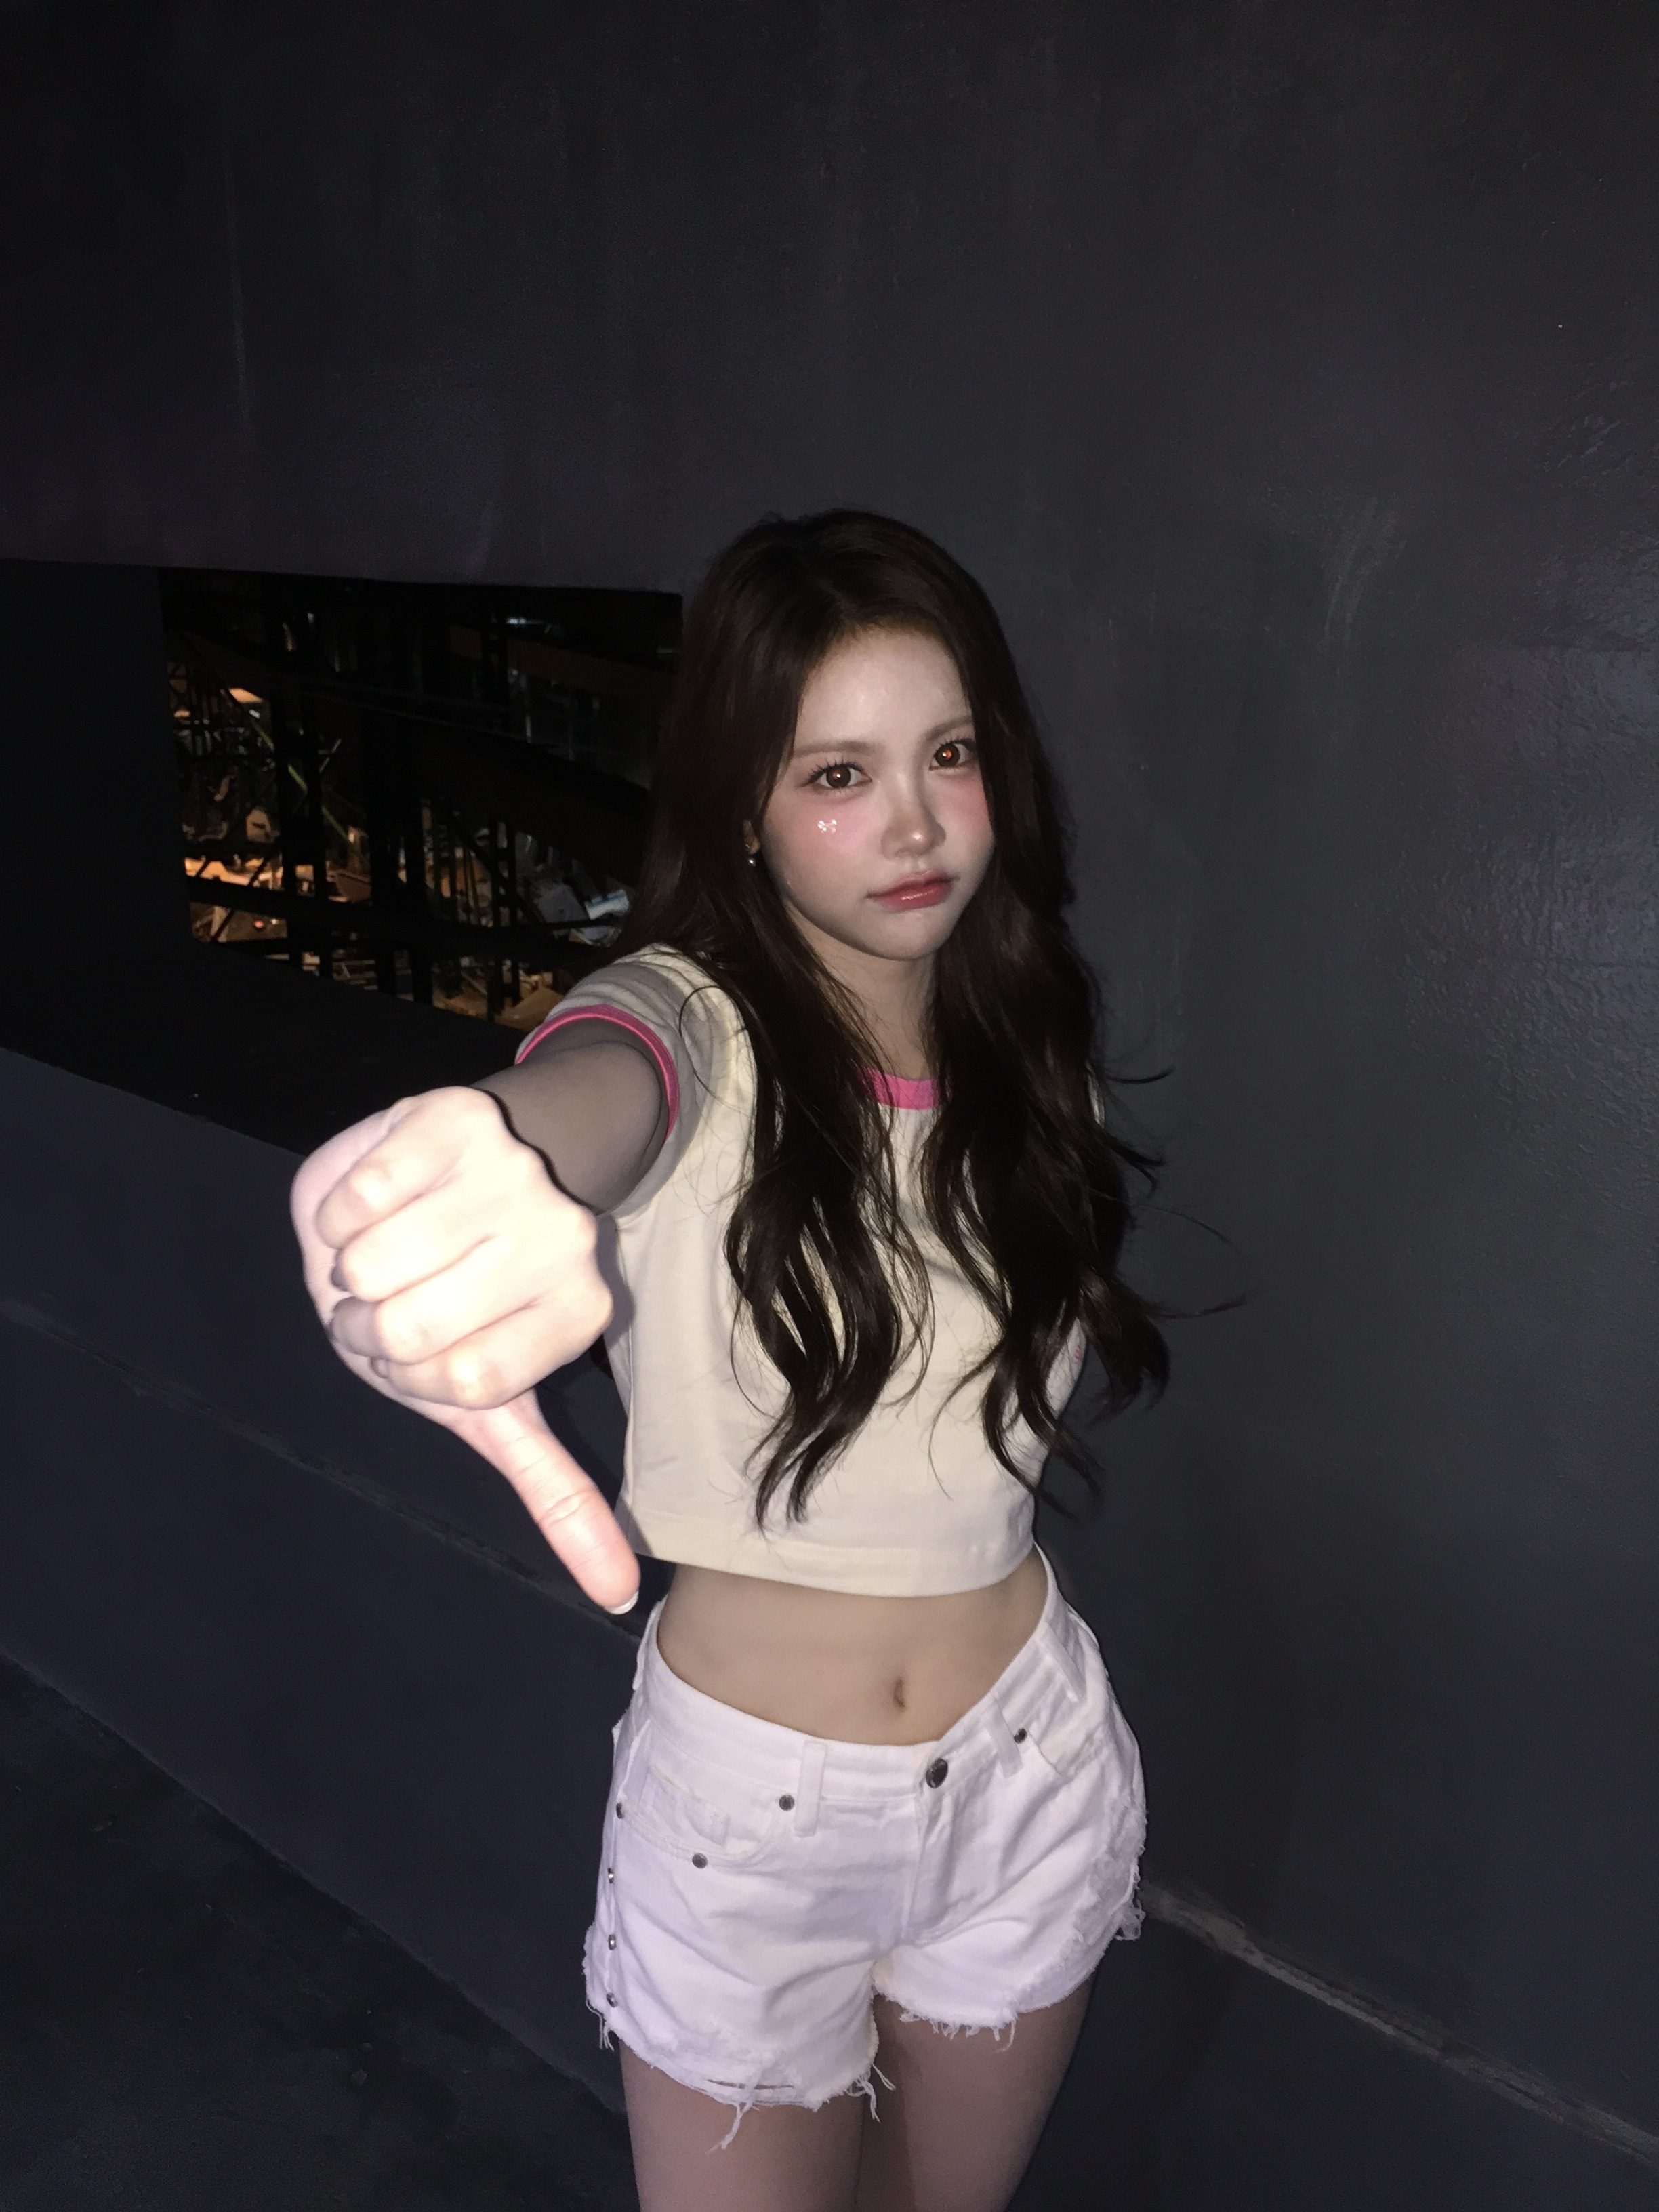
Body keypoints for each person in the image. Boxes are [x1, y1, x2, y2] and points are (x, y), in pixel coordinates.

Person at [290, 511, 1166, 2212]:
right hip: (756, 1825)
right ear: (742, 809)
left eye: (950, 755)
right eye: (837, 775)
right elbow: (598, 1083)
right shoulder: (690, 1018)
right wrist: (480, 1162)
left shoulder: (1030, 1038)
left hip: (1030, 1762)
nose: (913, 823)